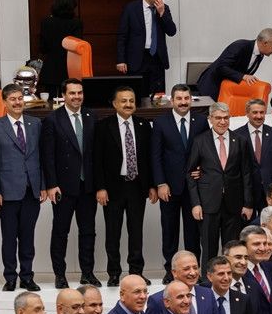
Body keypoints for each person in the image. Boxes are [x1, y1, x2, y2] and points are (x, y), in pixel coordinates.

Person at [0, 83, 43, 292]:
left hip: (31, 190)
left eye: (20, 98)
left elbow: (40, 157)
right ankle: (10, 277)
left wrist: (43, 186)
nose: (18, 102)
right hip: (7, 192)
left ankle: (27, 276)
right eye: (13, 99)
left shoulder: (35, 124)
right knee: (9, 237)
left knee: (28, 236)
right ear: (4, 102)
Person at [94, 86, 153, 286]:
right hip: (113, 188)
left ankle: (136, 271)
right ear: (114, 104)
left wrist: (152, 186)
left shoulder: (145, 125)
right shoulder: (103, 126)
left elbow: (149, 159)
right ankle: (113, 273)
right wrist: (100, 187)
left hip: (137, 186)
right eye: (124, 101)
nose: (128, 104)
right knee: (113, 233)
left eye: (131, 101)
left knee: (136, 232)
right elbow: (97, 160)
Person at [41, 78, 97, 288]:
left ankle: (88, 273)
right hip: (63, 187)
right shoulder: (53, 120)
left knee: (88, 231)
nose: (76, 97)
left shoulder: (92, 116)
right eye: (72, 93)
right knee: (60, 232)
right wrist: (51, 184)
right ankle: (60, 275)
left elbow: (95, 155)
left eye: (79, 93)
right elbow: (48, 156)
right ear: (64, 95)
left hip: (87, 185)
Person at [186, 102, 255, 267]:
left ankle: (231, 280)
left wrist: (248, 203)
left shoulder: (240, 141)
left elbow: (246, 174)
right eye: (218, 118)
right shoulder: (200, 141)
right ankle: (207, 283)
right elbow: (190, 173)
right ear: (210, 119)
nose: (222, 122)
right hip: (208, 204)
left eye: (226, 118)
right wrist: (195, 204)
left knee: (231, 247)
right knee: (208, 248)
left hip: (234, 204)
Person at [151, 84, 208, 282]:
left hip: (195, 187)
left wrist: (204, 169)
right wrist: (160, 183)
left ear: (191, 99)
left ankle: (193, 270)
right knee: (170, 230)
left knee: (193, 232)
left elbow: (206, 150)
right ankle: (170, 271)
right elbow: (155, 156)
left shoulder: (201, 121)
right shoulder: (160, 123)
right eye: (179, 98)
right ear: (172, 101)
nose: (183, 102)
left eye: (186, 98)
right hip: (169, 187)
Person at [115, 0, 176, 96]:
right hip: (137, 58)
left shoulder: (164, 8)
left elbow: (172, 31)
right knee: (137, 94)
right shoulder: (131, 8)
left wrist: (162, 14)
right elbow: (122, 35)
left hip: (157, 58)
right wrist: (121, 60)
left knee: (158, 97)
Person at [196, 28, 272, 99]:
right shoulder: (240, 46)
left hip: (228, 92)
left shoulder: (261, 54)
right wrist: (243, 76)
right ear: (265, 43)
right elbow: (221, 67)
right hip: (211, 88)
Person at [233, 98, 272, 210]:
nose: (259, 116)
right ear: (247, 113)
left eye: (262, 112)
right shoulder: (237, 136)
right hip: (247, 191)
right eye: (255, 112)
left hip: (270, 189)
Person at [37, 0, 81, 97]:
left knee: (51, 102)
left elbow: (43, 48)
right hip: (70, 68)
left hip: (50, 69)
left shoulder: (46, 22)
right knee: (70, 99)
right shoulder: (76, 23)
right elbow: (77, 48)